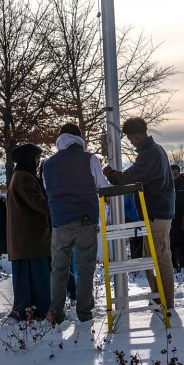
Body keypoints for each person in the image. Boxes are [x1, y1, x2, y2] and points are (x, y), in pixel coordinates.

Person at [104, 117, 176, 310]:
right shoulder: (156, 150)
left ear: (137, 135)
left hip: (156, 214)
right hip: (158, 213)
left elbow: (129, 177)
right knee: (153, 257)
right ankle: (158, 297)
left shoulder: (149, 154)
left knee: (159, 258)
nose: (130, 142)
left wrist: (110, 174)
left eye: (130, 138)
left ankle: (165, 302)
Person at [42, 123, 110, 324]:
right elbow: (102, 186)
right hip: (85, 222)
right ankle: (84, 313)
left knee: (58, 270)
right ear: (79, 139)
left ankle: (55, 312)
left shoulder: (47, 164)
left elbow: (48, 189)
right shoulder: (89, 159)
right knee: (85, 269)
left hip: (59, 223)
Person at [5, 144, 51, 321]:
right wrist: (56, 204)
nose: (38, 161)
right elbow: (39, 204)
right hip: (32, 241)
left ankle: (27, 310)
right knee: (39, 279)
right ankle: (37, 310)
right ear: (28, 159)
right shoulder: (24, 178)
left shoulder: (20, 176)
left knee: (27, 280)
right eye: (36, 158)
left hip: (26, 242)